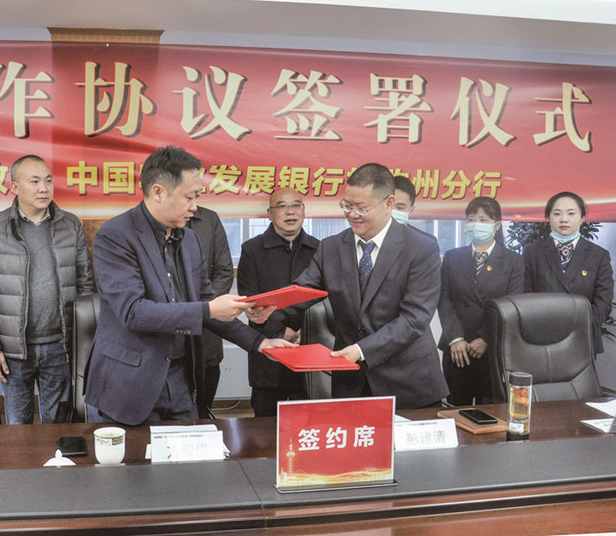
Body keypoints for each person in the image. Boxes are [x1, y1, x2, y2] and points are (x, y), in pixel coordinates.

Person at [86, 145, 294, 426]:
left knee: (188, 453)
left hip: (182, 379)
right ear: (158, 192)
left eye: (197, 197)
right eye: (189, 197)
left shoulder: (189, 239)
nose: (195, 206)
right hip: (130, 382)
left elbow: (205, 298)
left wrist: (259, 342)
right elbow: (134, 312)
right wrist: (210, 309)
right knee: (134, 456)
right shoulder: (115, 236)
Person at [251, 162, 447, 409]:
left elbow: (413, 319)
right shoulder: (331, 247)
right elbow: (303, 290)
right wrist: (269, 307)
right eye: (347, 206)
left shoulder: (421, 248)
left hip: (408, 381)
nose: (352, 214)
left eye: (362, 208)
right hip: (351, 382)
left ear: (388, 204)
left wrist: (361, 350)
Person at [0, 155, 94, 424]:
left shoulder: (70, 224)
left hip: (60, 346)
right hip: (12, 349)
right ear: (15, 187)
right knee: (17, 426)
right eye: (34, 182)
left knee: (58, 424)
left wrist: (80, 343)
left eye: (48, 181)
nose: (43, 188)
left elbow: (85, 285)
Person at [237, 187, 319, 417]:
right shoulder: (252, 250)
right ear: (270, 214)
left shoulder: (319, 249)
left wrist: (305, 330)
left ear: (304, 210)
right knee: (266, 421)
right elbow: (251, 301)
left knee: (309, 421)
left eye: (296, 206)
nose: (290, 212)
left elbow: (326, 298)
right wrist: (282, 332)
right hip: (267, 347)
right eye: (282, 207)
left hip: (309, 345)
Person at [438, 197, 523, 405]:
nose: (476, 224)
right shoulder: (452, 257)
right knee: (455, 409)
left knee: (491, 412)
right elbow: (444, 300)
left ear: (497, 226)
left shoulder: (513, 260)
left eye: (483, 220)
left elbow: (512, 304)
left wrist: (485, 338)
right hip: (457, 349)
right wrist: (455, 338)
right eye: (471, 219)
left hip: (493, 348)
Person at [524, 191, 614, 356]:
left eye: (571, 213)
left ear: (582, 218)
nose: (564, 219)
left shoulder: (598, 255)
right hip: (541, 339)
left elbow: (604, 301)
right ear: (548, 217)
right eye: (557, 213)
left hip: (583, 339)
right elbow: (525, 296)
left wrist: (580, 327)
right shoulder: (532, 253)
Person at [185, 205, 234, 416]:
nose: (193, 204)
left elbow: (224, 271)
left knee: (203, 406)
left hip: (207, 323)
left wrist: (205, 309)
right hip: (167, 326)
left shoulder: (209, 219)